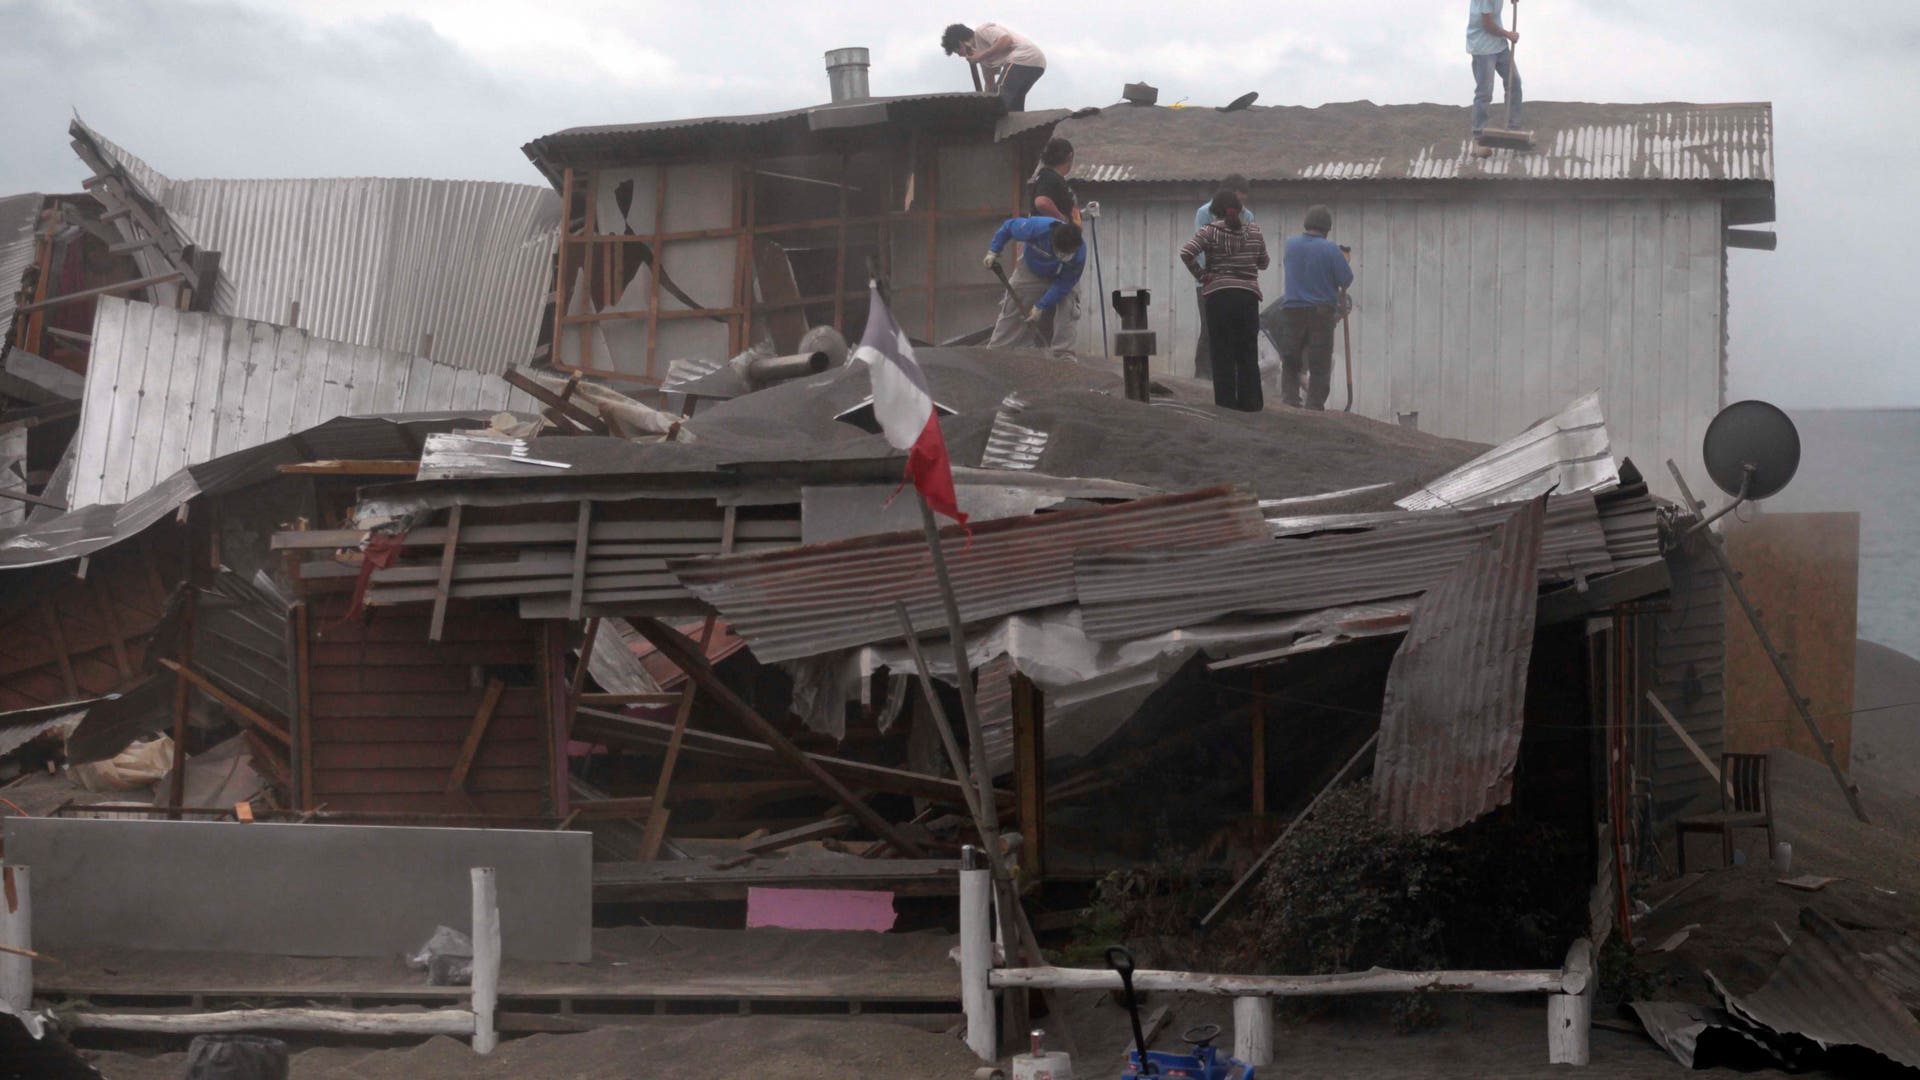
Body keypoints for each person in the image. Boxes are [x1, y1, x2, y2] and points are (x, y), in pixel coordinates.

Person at [1178, 190, 1269, 412]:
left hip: (1218, 298)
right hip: (1247, 299)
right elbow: (1264, 263)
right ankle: (1251, 404)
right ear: (1240, 210)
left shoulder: (1209, 231)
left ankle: (1226, 405)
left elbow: (1186, 252)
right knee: (1247, 351)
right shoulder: (1255, 232)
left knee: (1222, 351)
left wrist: (1202, 276)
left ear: (1215, 212)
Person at [1273, 205, 1353, 410]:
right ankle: (1314, 406)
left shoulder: (1290, 245)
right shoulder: (1330, 249)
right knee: (1319, 361)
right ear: (1327, 228)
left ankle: (1290, 400)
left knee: (1291, 358)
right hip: (1321, 312)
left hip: (1292, 309)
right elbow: (1346, 279)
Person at [984, 217, 1084, 353]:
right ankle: (998, 350)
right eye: (1062, 252)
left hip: (1062, 276)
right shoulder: (1035, 228)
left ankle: (1063, 355)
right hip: (1031, 267)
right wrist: (993, 251)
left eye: (1069, 253)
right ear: (1053, 241)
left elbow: (1064, 284)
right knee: (1014, 302)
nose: (1066, 255)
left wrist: (1040, 306)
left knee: (1069, 305)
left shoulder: (1079, 254)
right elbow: (1008, 227)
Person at [1189, 173, 1252, 380]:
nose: (1241, 204)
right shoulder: (1205, 213)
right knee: (1210, 327)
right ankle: (1203, 375)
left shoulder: (1247, 217)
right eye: (1239, 199)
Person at [942, 22, 1047, 112]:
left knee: (999, 98)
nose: (961, 56)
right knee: (1013, 104)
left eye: (958, 51)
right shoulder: (984, 59)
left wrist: (981, 56)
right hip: (1036, 65)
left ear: (962, 43)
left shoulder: (982, 31)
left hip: (1024, 57)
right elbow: (989, 84)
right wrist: (983, 102)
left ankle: (990, 122)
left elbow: (1006, 40)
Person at [1467, 0, 1523, 157]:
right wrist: (1508, 34)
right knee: (1485, 92)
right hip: (1483, 47)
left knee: (1515, 83)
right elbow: (1487, 24)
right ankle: (1478, 139)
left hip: (1499, 45)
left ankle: (1513, 130)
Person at [1028, 137, 1077, 222]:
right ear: (1070, 156)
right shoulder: (1049, 176)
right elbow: (1041, 202)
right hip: (1052, 232)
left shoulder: (1050, 177)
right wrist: (1062, 219)